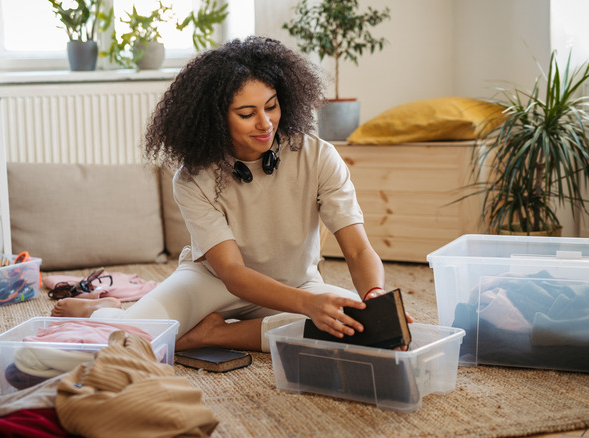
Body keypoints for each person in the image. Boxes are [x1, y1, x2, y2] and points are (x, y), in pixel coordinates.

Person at [52, 36, 408, 352]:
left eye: (271, 106)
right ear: (216, 118)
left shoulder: (319, 157)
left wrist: (373, 296)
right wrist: (306, 306)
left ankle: (213, 335)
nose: (265, 123)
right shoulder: (193, 177)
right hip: (211, 283)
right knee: (126, 345)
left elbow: (359, 248)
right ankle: (106, 309)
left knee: (361, 330)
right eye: (246, 113)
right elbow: (234, 273)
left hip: (295, 284)